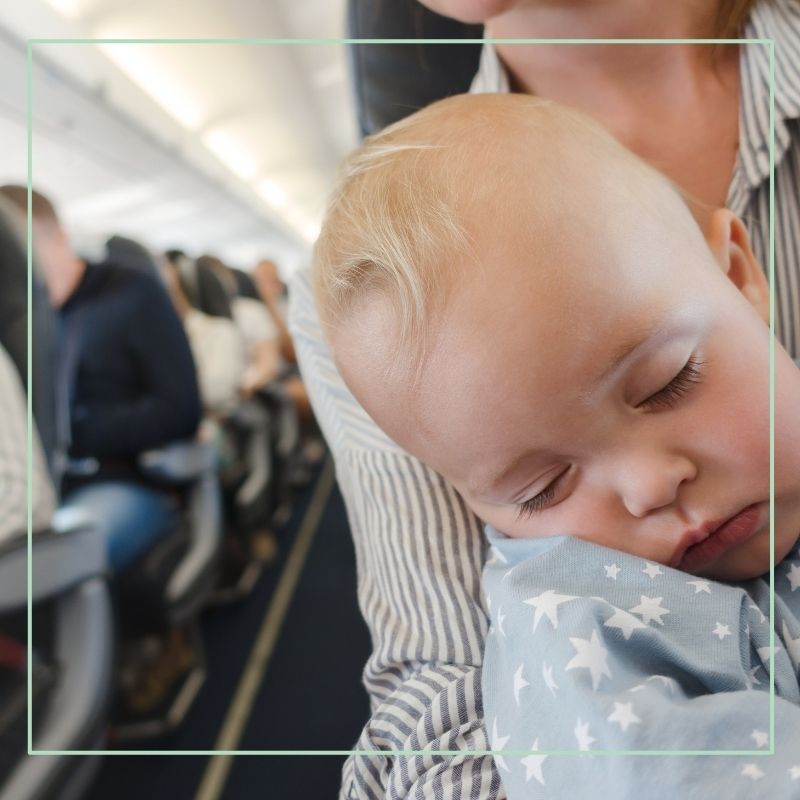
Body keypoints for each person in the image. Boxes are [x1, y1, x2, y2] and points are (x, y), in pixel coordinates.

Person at [289, 2, 800, 796]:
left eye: (672, 383)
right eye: (542, 490)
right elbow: (440, 712)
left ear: (739, 274)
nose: (650, 486)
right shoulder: (575, 654)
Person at [0, 185, 201, 573]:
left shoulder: (131, 292)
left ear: (58, 236)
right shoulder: (20, 326)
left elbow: (181, 409)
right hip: (48, 488)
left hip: (123, 480)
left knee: (46, 562)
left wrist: (72, 431)